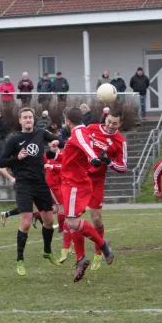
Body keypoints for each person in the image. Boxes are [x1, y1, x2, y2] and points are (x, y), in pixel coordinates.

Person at [49, 107, 114, 283]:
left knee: (71, 221)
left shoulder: (78, 132)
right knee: (73, 223)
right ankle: (80, 258)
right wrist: (56, 154)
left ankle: (102, 244)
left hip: (74, 184)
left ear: (67, 121)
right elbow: (76, 152)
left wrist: (93, 157)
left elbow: (85, 148)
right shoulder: (85, 132)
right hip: (73, 182)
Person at [59, 110, 127, 270]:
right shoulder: (91, 128)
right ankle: (80, 256)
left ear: (120, 124)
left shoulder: (120, 141)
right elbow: (79, 142)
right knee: (73, 219)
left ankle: (99, 251)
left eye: (114, 123)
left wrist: (107, 161)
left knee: (93, 218)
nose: (110, 126)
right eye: (109, 121)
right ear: (105, 119)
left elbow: (123, 166)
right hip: (81, 176)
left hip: (94, 180)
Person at [0, 107, 61, 276]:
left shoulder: (40, 133)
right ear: (20, 121)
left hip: (41, 184)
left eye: (30, 117)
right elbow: (2, 162)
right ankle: (20, 259)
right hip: (24, 184)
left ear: (33, 120)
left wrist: (56, 143)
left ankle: (47, 251)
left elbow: (58, 141)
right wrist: (16, 158)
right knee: (26, 222)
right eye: (25, 117)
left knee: (48, 220)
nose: (28, 120)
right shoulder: (14, 140)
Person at [44, 142, 65, 234]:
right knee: (62, 208)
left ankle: (37, 215)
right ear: (48, 144)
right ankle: (61, 228)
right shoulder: (45, 156)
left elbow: (65, 167)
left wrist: (52, 166)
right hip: (53, 186)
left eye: (55, 142)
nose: (54, 144)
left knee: (57, 209)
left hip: (64, 184)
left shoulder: (63, 154)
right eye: (51, 143)